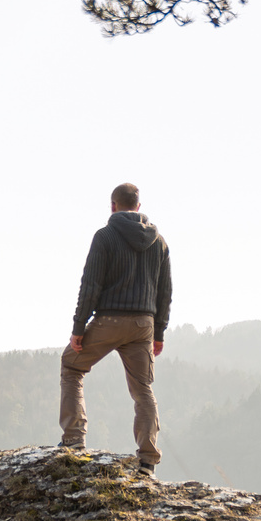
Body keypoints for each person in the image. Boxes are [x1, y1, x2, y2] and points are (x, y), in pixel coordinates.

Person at [59, 182, 173, 472]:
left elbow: (91, 284)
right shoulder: (159, 242)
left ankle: (74, 439)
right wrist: (158, 333)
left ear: (113, 205)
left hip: (109, 319)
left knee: (71, 367)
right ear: (138, 206)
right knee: (143, 389)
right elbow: (164, 293)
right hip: (143, 324)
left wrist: (78, 326)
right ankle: (148, 460)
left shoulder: (105, 236)